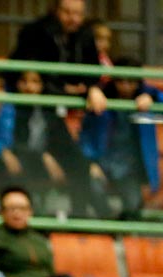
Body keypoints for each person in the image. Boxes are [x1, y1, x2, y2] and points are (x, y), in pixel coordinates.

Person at [78, 58, 163, 219]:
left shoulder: (146, 95)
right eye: (121, 82)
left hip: (129, 168)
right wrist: (90, 163)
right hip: (101, 163)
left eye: (131, 82)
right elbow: (85, 133)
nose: (126, 87)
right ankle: (108, 229)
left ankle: (124, 236)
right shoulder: (100, 96)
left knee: (133, 207)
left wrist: (152, 97)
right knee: (92, 189)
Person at [6, 69, 101, 216]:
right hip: (22, 158)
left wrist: (90, 163)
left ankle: (80, 215)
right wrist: (44, 157)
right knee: (32, 162)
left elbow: (65, 142)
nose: (29, 87)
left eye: (35, 82)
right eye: (24, 82)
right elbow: (13, 143)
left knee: (80, 164)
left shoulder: (48, 107)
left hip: (48, 156)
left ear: (42, 85)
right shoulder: (12, 107)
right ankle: (37, 215)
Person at [9, 0, 107, 112]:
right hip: (39, 100)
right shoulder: (35, 32)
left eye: (78, 14)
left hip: (79, 101)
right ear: (55, 11)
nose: (73, 19)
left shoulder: (86, 35)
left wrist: (91, 88)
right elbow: (28, 70)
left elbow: (94, 69)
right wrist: (62, 88)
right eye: (67, 12)